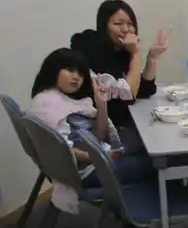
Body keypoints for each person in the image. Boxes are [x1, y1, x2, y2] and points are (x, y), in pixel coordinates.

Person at [26, 48, 152, 194]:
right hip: (88, 171)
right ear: (53, 69)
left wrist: (101, 103)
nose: (76, 77)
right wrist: (99, 157)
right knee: (156, 163)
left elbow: (99, 135)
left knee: (148, 145)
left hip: (98, 157)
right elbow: (61, 150)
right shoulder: (45, 104)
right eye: (70, 70)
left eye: (80, 74)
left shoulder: (66, 100)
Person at [70, 0, 171, 133]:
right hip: (92, 129)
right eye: (118, 23)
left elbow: (144, 90)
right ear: (104, 26)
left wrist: (151, 58)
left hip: (115, 123)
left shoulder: (121, 51)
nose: (125, 29)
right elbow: (127, 96)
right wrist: (135, 53)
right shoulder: (92, 47)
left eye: (130, 24)